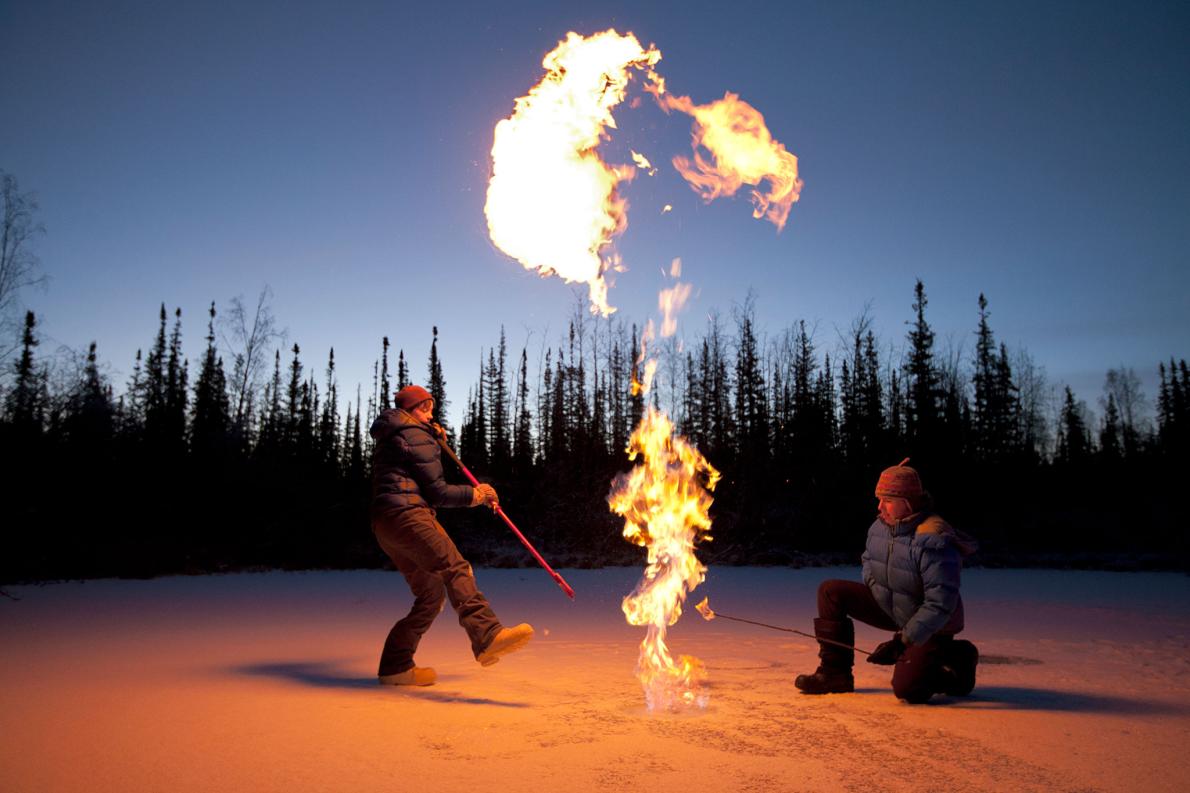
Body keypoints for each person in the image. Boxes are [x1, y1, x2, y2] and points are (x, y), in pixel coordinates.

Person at [370, 384, 533, 686]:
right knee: (454, 566)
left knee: (430, 596)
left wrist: (431, 436)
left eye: (431, 405)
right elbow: (437, 492)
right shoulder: (415, 434)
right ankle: (487, 636)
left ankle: (396, 666)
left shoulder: (394, 433)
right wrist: (477, 494)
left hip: (385, 524)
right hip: (409, 515)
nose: (431, 412)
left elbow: (413, 470)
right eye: (424, 407)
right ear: (410, 410)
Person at [794, 458, 979, 703]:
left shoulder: (932, 540)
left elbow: (940, 604)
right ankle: (835, 674)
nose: (880, 507)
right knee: (831, 591)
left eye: (888, 501)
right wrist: (875, 588)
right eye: (879, 499)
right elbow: (868, 561)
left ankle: (956, 660)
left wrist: (902, 641)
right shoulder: (880, 527)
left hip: (933, 624)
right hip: (893, 607)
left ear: (908, 503)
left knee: (908, 690)